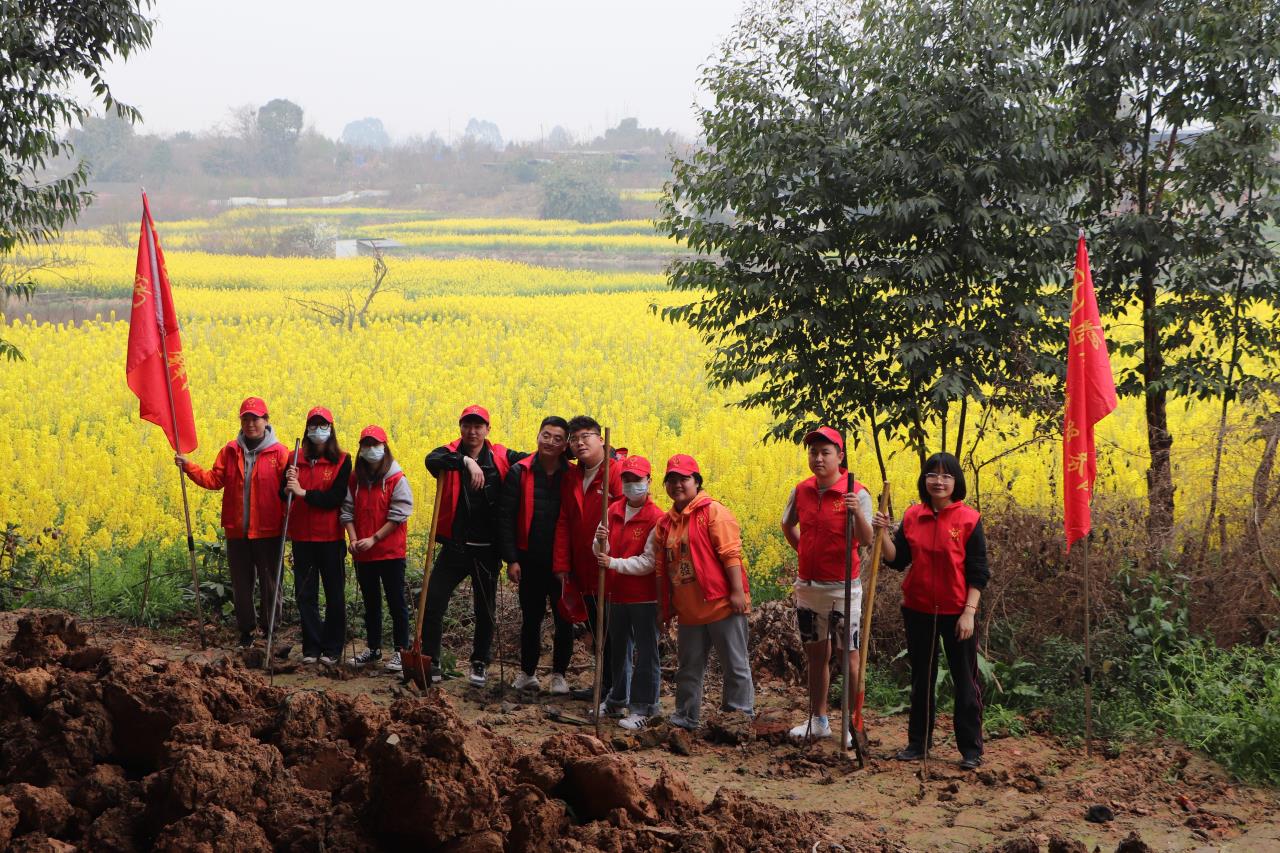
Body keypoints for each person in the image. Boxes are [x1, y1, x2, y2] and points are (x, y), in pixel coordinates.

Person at [873, 451, 989, 770]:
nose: (939, 481)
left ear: (956, 482)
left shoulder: (969, 519)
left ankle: (970, 749)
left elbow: (979, 571)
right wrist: (882, 533)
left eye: (946, 476)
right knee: (922, 677)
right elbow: (897, 560)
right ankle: (918, 743)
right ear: (925, 480)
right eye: (932, 475)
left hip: (956, 611)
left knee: (965, 679)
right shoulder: (913, 516)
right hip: (918, 608)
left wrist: (969, 611)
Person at [780, 426, 873, 745]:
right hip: (808, 588)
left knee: (849, 655)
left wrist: (856, 512)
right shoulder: (802, 490)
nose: (818, 458)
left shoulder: (856, 492)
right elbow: (787, 524)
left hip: (843, 588)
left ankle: (853, 724)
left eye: (825, 452)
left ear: (840, 456)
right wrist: (804, 552)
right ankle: (818, 720)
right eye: (813, 452)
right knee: (816, 655)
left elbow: (867, 538)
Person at [424, 405, 526, 686]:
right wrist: (465, 462)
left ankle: (480, 661)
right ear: (460, 427)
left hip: (487, 549)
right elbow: (431, 459)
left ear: (487, 430)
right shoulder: (448, 453)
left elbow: (534, 462)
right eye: (467, 425)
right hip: (456, 547)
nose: (473, 430)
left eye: (478, 426)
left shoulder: (502, 457)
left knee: (485, 609)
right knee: (433, 602)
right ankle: (429, 660)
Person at [176, 396, 288, 648]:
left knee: (272, 584)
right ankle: (247, 632)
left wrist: (288, 527)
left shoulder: (280, 453)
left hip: (269, 531)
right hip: (237, 531)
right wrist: (189, 467)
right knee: (241, 585)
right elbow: (214, 480)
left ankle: (271, 633)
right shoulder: (230, 450)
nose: (250, 424)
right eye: (245, 418)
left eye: (255, 419)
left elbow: (288, 493)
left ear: (266, 421)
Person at [654, 454, 754, 730]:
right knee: (688, 669)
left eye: (684, 479)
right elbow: (662, 570)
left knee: (735, 665)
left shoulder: (713, 512)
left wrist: (737, 593)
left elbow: (731, 554)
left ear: (696, 482)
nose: (677, 485)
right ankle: (685, 717)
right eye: (671, 480)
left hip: (722, 604)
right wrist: (665, 608)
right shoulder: (665, 523)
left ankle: (738, 719)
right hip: (689, 611)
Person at [500, 416, 573, 694]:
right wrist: (512, 559)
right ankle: (527, 672)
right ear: (537, 436)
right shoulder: (520, 471)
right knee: (530, 619)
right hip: (530, 560)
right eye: (546, 435)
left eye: (557, 438)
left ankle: (559, 676)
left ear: (565, 444)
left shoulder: (572, 474)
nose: (550, 442)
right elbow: (505, 517)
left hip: (563, 563)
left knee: (564, 619)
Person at [552, 415, 623, 703]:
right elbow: (564, 520)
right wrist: (561, 564)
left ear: (601, 439)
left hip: (611, 567)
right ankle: (604, 685)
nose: (579, 443)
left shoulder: (617, 472)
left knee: (615, 632)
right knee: (597, 629)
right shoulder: (573, 476)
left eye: (586, 437)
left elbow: (625, 518)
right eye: (574, 438)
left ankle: (618, 689)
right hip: (583, 567)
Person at [593, 454, 664, 729]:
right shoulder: (611, 510)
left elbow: (649, 562)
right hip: (616, 592)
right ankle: (616, 701)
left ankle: (645, 707)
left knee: (647, 653)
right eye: (627, 479)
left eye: (637, 479)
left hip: (645, 596)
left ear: (648, 481)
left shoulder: (656, 518)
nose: (631, 484)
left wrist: (613, 563)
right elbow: (599, 551)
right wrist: (601, 543)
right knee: (618, 650)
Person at [282, 407, 351, 665]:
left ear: (331, 429)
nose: (317, 430)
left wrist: (304, 493)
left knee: (335, 595)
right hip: (302, 538)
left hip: (331, 539)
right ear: (307, 429)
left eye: (323, 425)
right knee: (305, 594)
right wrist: (288, 483)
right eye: (313, 425)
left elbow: (336, 497)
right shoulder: (294, 457)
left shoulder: (343, 460)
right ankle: (311, 646)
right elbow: (283, 494)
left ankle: (333, 648)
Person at [342, 425, 414, 671]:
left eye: (375, 444)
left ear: (384, 447)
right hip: (365, 554)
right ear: (360, 449)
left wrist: (373, 538)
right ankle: (373, 649)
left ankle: (401, 651)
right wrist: (353, 540)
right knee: (370, 602)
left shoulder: (396, 478)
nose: (371, 449)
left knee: (396, 602)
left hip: (391, 553)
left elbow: (399, 515)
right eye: (366, 444)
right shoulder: (355, 479)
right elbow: (347, 511)